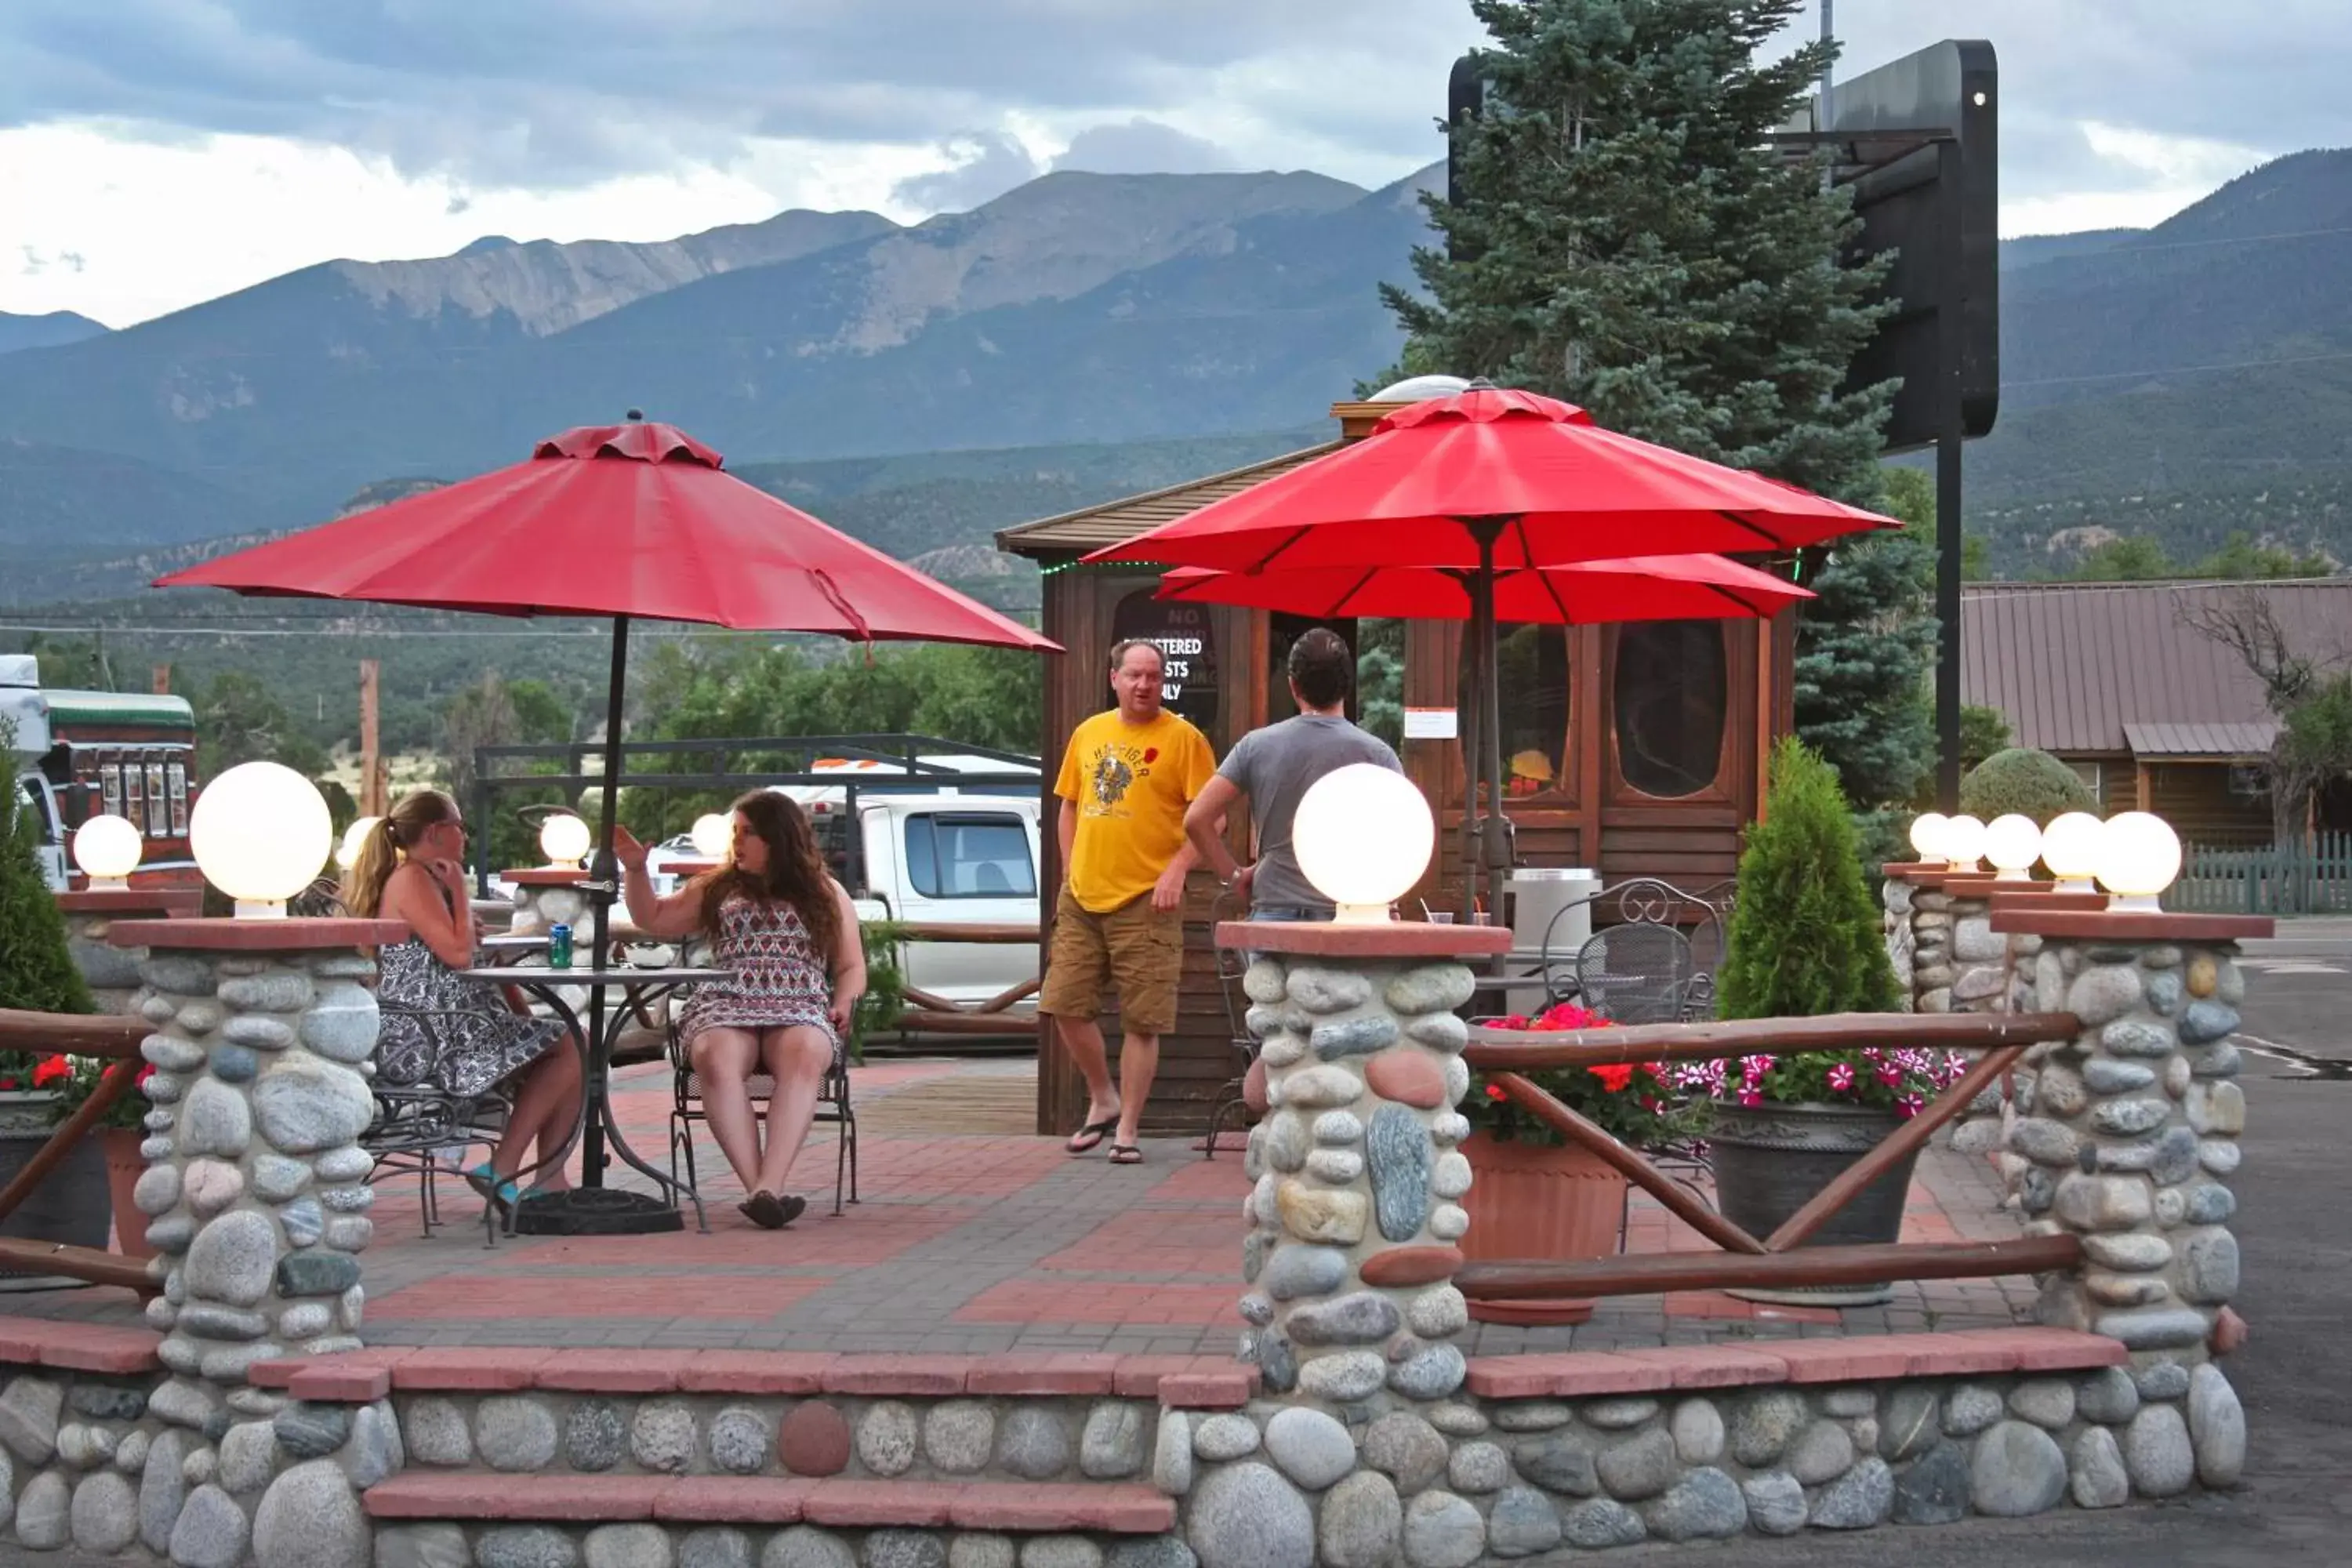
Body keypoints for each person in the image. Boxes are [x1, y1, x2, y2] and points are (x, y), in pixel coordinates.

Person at [613, 790, 865, 1229]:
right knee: (715, 1056)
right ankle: (762, 1191)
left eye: (748, 833)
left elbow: (850, 965)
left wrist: (843, 1001)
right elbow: (653, 917)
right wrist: (636, 870)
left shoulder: (826, 891)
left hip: (799, 1001)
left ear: (778, 837)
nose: (738, 842)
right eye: (735, 832)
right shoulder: (719, 885)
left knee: (805, 1052)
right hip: (729, 1000)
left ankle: (769, 1184)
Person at [339, 789, 582, 1215]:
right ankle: (503, 1169)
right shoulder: (413, 877)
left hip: (454, 1023)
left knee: (570, 1051)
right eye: (459, 826)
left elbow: (459, 950)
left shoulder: (424, 879)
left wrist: (462, 919)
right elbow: (457, 956)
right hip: (426, 1035)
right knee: (569, 1052)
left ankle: (549, 1179)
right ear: (435, 831)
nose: (465, 835)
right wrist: (458, 891)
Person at [1040, 637, 1217, 1165]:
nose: (1144, 685)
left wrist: (1178, 870)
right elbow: (1069, 807)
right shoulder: (1089, 733)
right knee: (1063, 1004)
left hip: (1148, 899)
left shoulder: (1185, 739)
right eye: (1134, 675)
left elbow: (1214, 818)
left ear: (1164, 682)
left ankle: (1129, 1131)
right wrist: (1069, 871)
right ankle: (1103, 1097)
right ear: (1113, 678)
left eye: (1154, 677)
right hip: (1083, 897)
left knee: (1144, 1020)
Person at [1185, 627, 1404, 920]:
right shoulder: (1377, 754)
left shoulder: (1255, 746)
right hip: (1347, 915)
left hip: (1273, 909)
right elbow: (1399, 840)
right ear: (1348, 686)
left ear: (1293, 686)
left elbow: (1196, 820)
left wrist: (1235, 876)